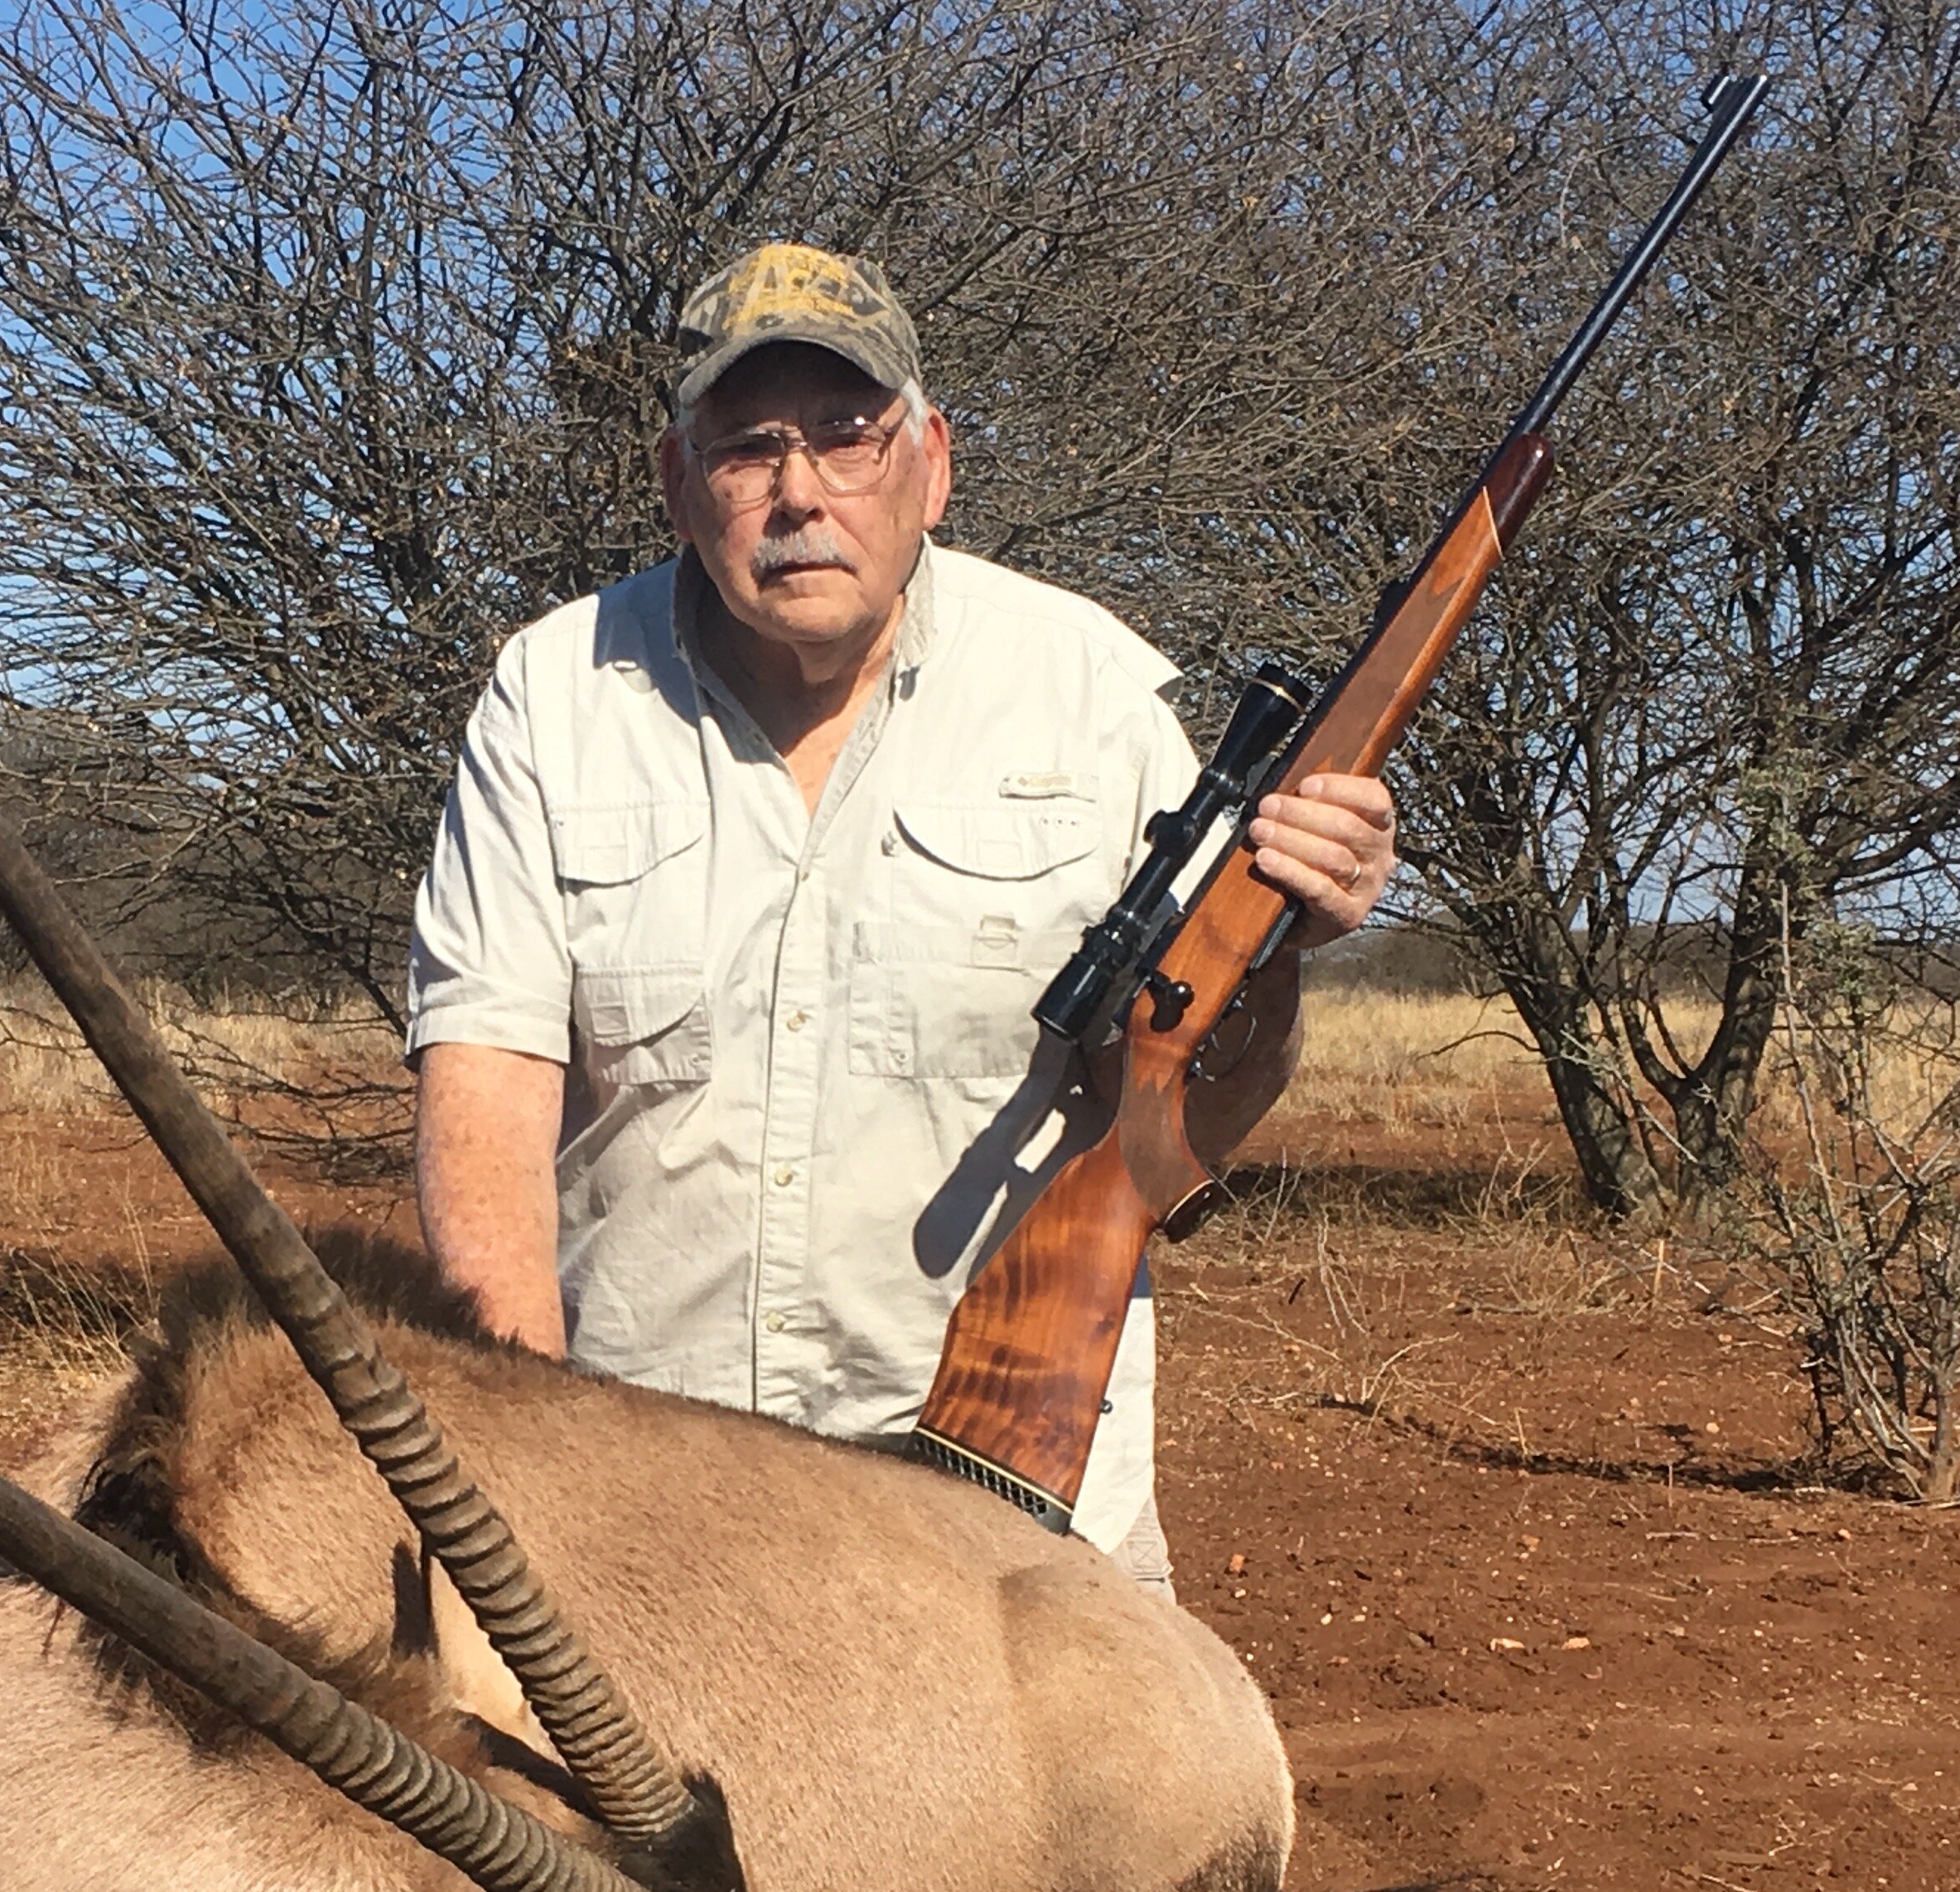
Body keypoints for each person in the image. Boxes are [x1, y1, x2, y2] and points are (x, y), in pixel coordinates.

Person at [406, 243, 1398, 1591]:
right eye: (747, 447)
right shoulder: (550, 695)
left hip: (1018, 1528)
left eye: (844, 437)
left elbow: (1180, 1113)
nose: (798, 492)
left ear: (931, 461)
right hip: (653, 1526)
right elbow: (484, 1106)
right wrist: (523, 1482)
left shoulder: (1093, 693)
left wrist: (1281, 950)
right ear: (676, 482)